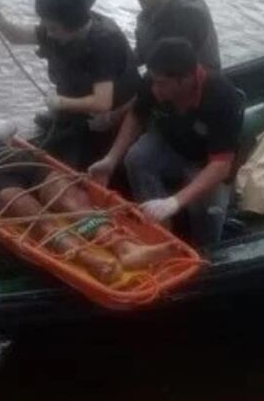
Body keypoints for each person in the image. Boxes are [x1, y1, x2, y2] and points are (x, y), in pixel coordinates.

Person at [0, 107, 174, 283]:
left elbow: (8, 127)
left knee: (73, 202)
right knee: (39, 218)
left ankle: (124, 248)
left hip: (17, 160)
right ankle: (89, 257)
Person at [89, 38, 244, 246]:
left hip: (206, 164)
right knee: (137, 158)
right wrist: (111, 158)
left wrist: (175, 201)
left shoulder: (221, 97)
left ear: (186, 79)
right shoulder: (154, 81)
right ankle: (159, 229)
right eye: (153, 81)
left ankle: (204, 247)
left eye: (161, 84)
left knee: (207, 219)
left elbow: (220, 165)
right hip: (171, 144)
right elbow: (136, 115)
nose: (154, 89)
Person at [0, 0, 140, 170]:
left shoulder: (104, 41)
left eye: (53, 29)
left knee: (67, 163)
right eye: (46, 26)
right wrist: (0, 22)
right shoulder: (60, 26)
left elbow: (102, 102)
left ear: (73, 26)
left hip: (111, 113)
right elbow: (18, 37)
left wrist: (61, 102)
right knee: (48, 143)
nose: (48, 33)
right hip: (79, 102)